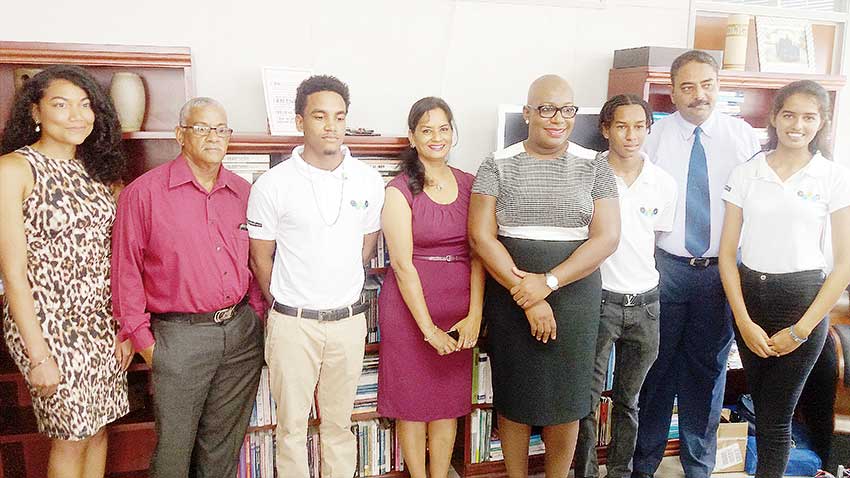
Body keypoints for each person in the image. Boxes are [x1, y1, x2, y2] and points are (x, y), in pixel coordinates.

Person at [468, 74, 620, 478]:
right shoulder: (496, 164)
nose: (558, 119)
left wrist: (549, 283)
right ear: (528, 113)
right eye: (547, 109)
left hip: (574, 298)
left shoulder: (595, 166)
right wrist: (530, 295)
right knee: (515, 396)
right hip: (511, 294)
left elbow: (606, 238)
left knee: (567, 400)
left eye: (567, 109)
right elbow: (481, 237)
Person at [111, 97, 265, 477]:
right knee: (174, 450)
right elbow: (125, 269)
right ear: (181, 134)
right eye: (203, 128)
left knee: (223, 446)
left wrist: (257, 314)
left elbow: (257, 259)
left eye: (222, 129)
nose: (214, 136)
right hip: (180, 337)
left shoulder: (244, 192)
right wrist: (143, 339)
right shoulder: (143, 194)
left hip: (241, 333)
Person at [247, 75, 385, 478]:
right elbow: (261, 259)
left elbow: (366, 245)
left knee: (339, 425)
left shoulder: (368, 179)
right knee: (290, 428)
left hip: (348, 322)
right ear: (299, 121)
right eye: (320, 116)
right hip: (294, 324)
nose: (331, 126)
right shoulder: (273, 184)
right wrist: (289, 304)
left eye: (339, 117)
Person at [632, 50, 762, 478]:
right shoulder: (654, 138)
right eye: (687, 86)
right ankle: (644, 465)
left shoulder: (742, 137)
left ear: (718, 84)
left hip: (719, 273)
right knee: (656, 371)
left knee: (706, 377)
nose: (698, 94)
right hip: (665, 269)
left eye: (706, 84)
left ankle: (698, 468)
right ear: (673, 92)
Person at [0, 65, 130, 478]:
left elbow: (118, 258)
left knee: (98, 429)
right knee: (71, 434)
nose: (77, 115)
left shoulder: (99, 174)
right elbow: (12, 275)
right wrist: (38, 355)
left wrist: (122, 328)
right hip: (47, 322)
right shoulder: (13, 170)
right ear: (35, 112)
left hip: (99, 320)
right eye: (61, 104)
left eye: (85, 104)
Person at [718, 80, 850, 478]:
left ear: (822, 123)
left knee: (777, 417)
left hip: (803, 302)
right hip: (751, 299)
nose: (797, 125)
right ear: (774, 118)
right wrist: (743, 320)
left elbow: (843, 265)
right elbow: (726, 255)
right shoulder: (747, 173)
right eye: (789, 115)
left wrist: (801, 330)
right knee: (762, 408)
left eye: (809, 117)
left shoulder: (832, 176)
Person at [376, 97, 484, 478]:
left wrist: (475, 315)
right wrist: (429, 330)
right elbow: (402, 266)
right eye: (426, 129)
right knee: (413, 405)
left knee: (447, 404)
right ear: (412, 136)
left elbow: (479, 254)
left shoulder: (473, 184)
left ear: (453, 132)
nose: (436, 137)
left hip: (458, 310)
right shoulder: (399, 189)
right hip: (410, 313)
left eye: (443, 128)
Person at [574, 95, 677, 478]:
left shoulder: (663, 183)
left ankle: (620, 471)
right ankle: (585, 472)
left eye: (639, 126)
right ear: (605, 129)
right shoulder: (586, 173)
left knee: (629, 401)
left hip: (647, 305)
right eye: (621, 126)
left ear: (648, 129)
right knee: (585, 401)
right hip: (598, 301)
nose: (631, 135)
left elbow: (659, 236)